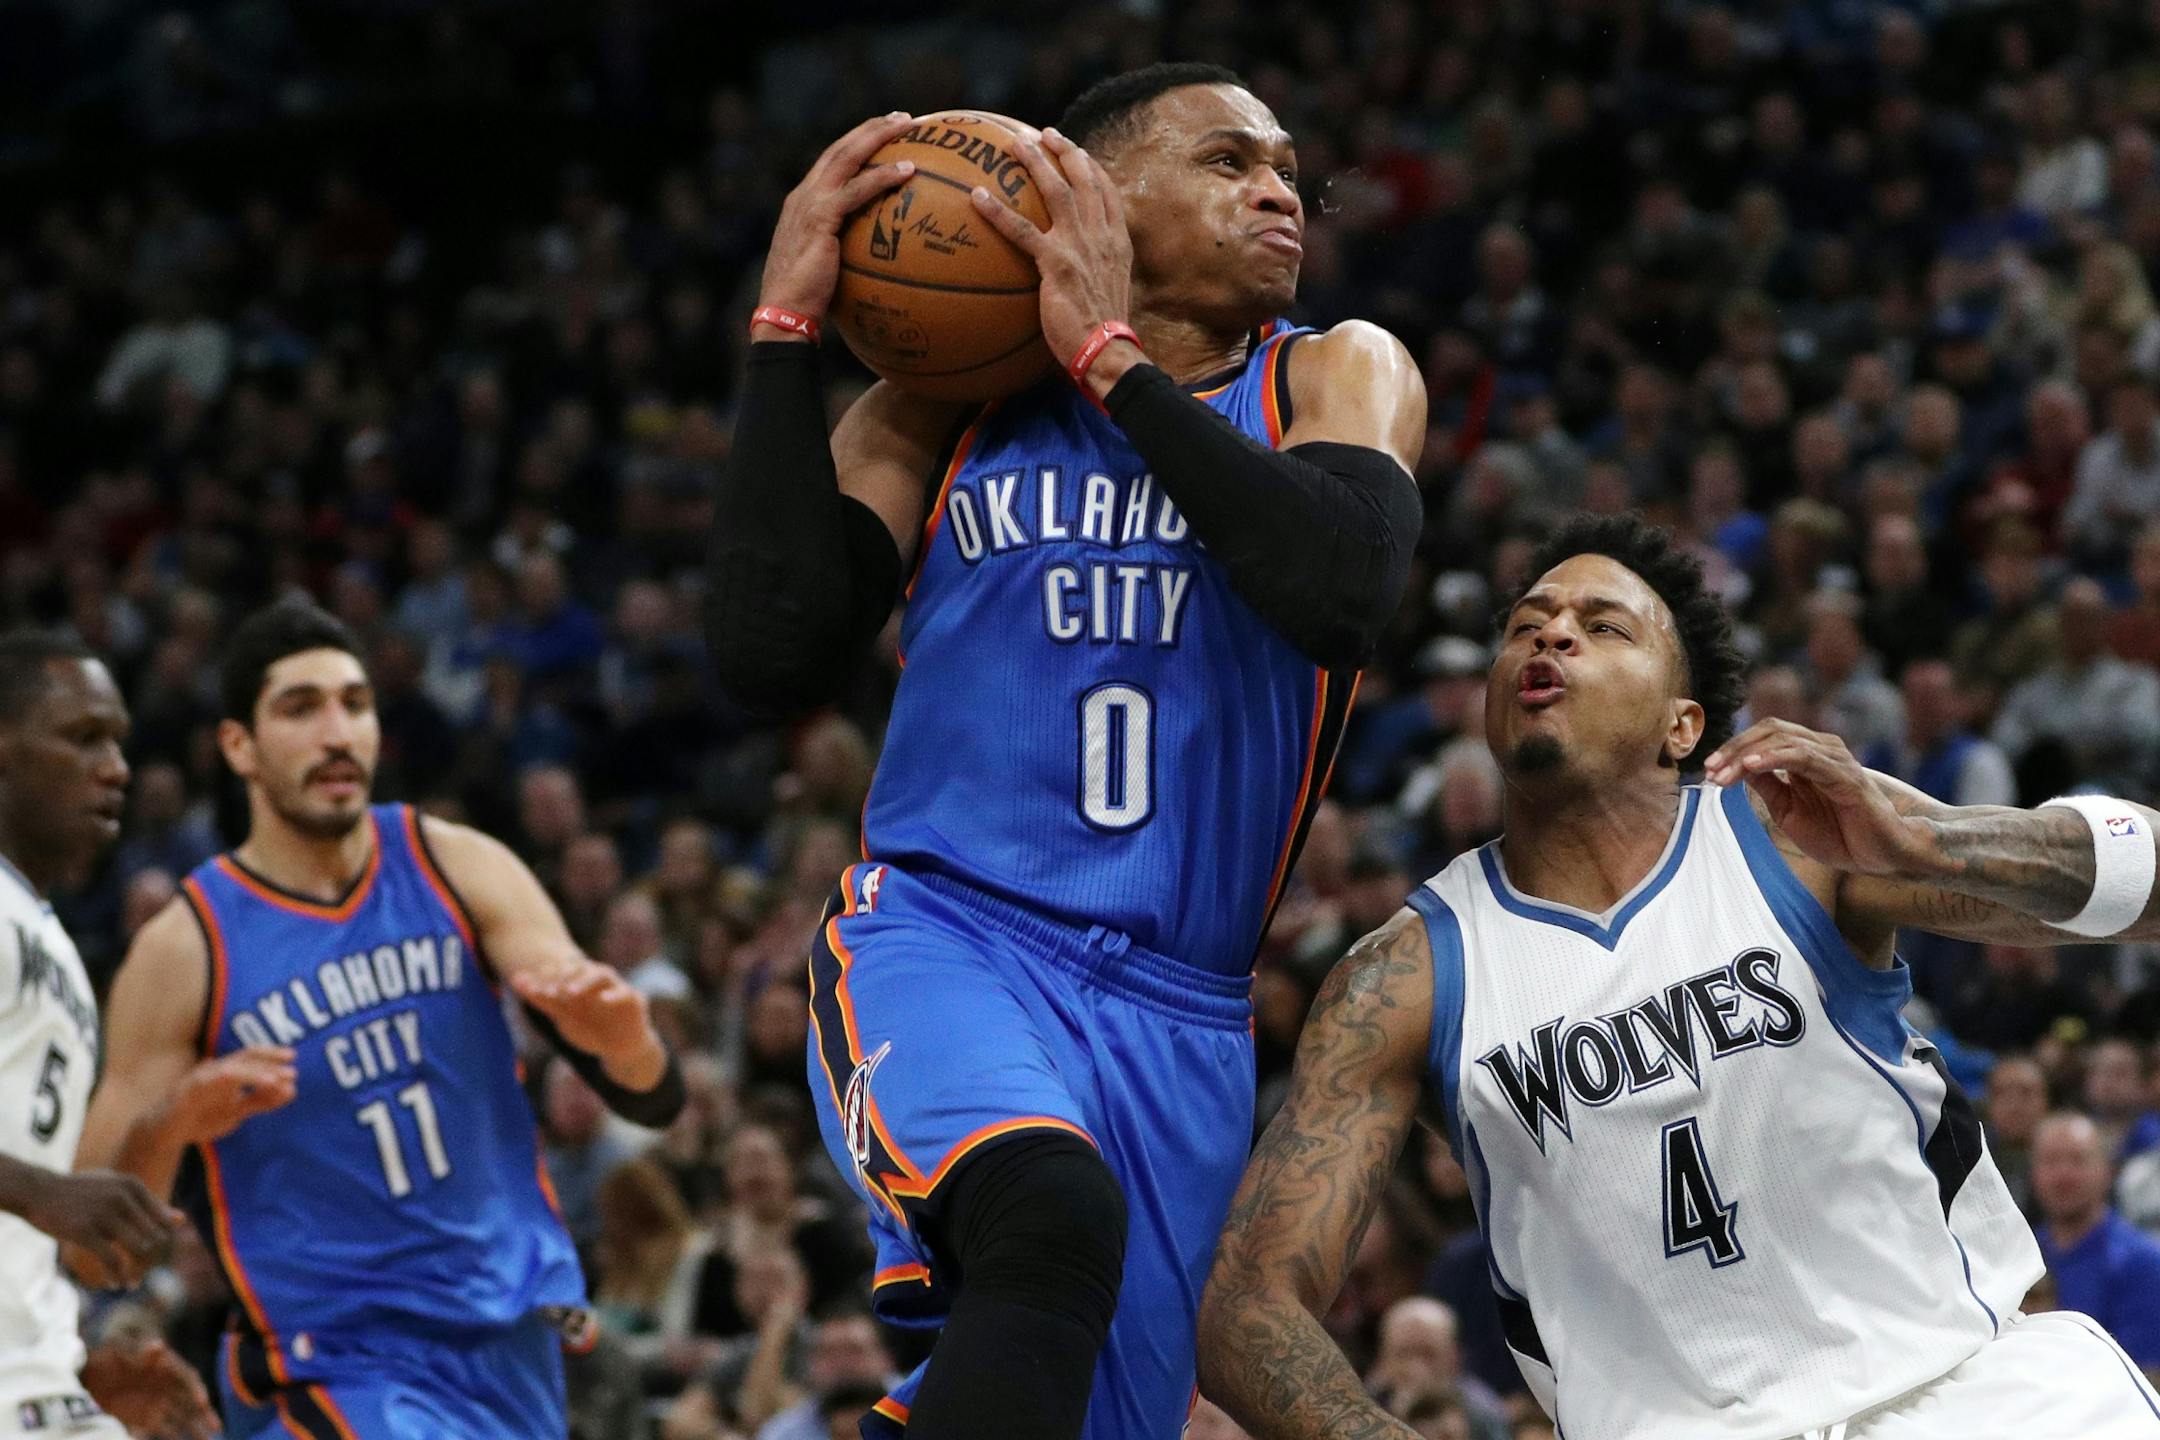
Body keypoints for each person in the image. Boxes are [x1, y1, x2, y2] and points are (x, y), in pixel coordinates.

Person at [706, 63, 1423, 1440]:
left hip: (1185, 1017)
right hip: (949, 931)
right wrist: (789, 326)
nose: (1278, 189)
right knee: (1047, 1209)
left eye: (1287, 167)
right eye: (1226, 161)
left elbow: (1340, 591)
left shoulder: (1338, 373)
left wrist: (1110, 360)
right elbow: (768, 654)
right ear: (1090, 194)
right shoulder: (944, 403)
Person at [1200, 514, 2160, 1439]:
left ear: (1681, 722)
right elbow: (1246, 1307)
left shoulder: (1791, 836)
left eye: (1600, 625)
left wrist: (1933, 842)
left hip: (1964, 1392)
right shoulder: (1405, 976)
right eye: (1526, 626)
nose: (1552, 636)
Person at [77, 599, 686, 1438]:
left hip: (509, 1342)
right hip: (333, 1360)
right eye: (301, 707)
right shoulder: (186, 948)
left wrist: (625, 1040)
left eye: (355, 704)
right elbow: (89, 1244)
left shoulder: (455, 862)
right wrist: (174, 1122)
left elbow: (653, 1096)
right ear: (237, 747)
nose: (337, 732)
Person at [0, 630, 214, 1440]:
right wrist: (45, 1193)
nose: (117, 768)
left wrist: (83, 1369)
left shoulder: (53, 943)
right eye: (83, 737)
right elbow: (32, 1195)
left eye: (119, 742)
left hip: (32, 1376)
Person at [2031, 1112, 2160, 1372]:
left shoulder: (2142, 1262)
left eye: (2078, 1160)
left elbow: (2145, 1378)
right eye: (2051, 1161)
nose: (2063, 1175)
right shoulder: (2021, 1258)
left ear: (2108, 1171)